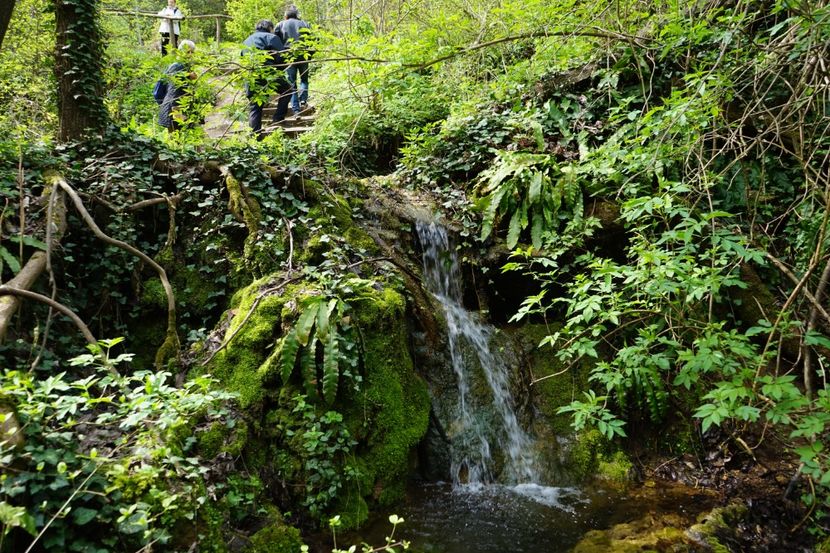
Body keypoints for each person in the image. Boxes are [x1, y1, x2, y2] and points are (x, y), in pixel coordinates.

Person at [242, 19, 291, 140]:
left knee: (255, 106)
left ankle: (255, 137)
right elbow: (282, 57)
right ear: (270, 28)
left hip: (251, 76)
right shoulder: (271, 37)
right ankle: (278, 118)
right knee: (288, 90)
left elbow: (242, 59)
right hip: (268, 73)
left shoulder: (247, 40)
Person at [276, 5, 312, 115]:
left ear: (286, 16)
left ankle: (295, 109)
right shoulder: (305, 24)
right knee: (304, 79)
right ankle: (303, 100)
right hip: (303, 54)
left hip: (288, 56)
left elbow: (275, 40)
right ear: (297, 15)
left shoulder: (280, 24)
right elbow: (313, 39)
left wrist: (279, 57)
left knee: (292, 83)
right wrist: (310, 54)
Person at [158, 40, 197, 132]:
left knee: (187, 131)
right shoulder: (176, 65)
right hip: (173, 106)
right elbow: (174, 76)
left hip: (181, 106)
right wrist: (188, 75)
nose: (190, 55)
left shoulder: (186, 66)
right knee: (177, 134)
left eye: (192, 52)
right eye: (188, 52)